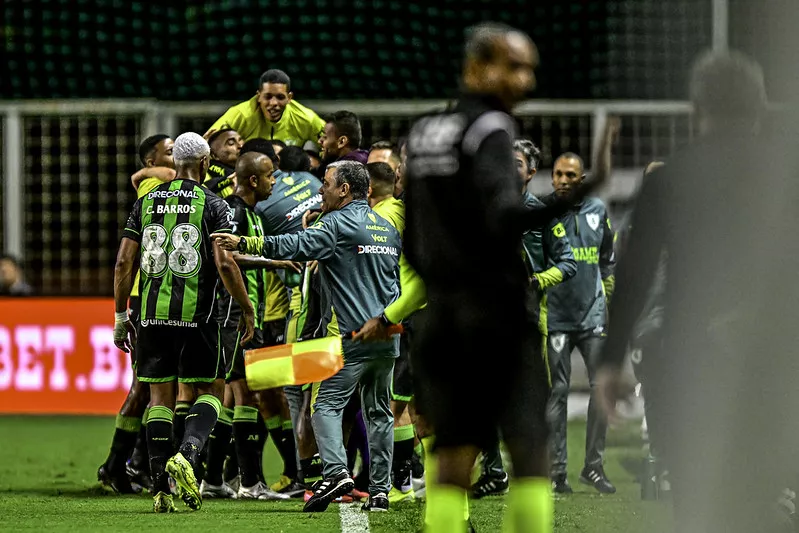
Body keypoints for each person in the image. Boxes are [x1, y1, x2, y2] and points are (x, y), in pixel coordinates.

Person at [403, 22, 607, 533]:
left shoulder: (425, 131)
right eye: (514, 67)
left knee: (451, 454)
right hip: (494, 315)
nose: (526, 81)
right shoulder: (490, 128)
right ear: (477, 68)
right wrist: (574, 196)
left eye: (529, 69)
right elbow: (502, 217)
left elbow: (413, 238)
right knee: (529, 447)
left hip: (442, 314)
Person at [597, 50, 799, 533]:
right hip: (774, 358)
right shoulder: (786, 174)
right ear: (761, 105)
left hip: (693, 361)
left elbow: (635, 274)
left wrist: (609, 362)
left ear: (696, 107)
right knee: (763, 490)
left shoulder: (669, 178)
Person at [212, 160, 402, 513]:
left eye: (326, 184)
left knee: (325, 406)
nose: (320, 189)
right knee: (379, 413)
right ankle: (380, 491)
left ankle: (335, 473)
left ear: (344, 190)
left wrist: (244, 241)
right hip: (388, 339)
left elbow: (292, 245)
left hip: (353, 340)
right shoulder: (386, 228)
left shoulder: (335, 223)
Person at [112, 132, 255, 513]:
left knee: (158, 397)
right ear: (206, 163)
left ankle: (161, 488)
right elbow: (225, 262)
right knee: (210, 390)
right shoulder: (215, 204)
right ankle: (188, 454)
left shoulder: (144, 203)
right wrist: (246, 307)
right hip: (199, 316)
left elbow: (124, 262)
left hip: (152, 315)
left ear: (176, 164)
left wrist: (121, 315)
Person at [473, 139, 577, 499]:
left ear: (531, 172)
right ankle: (493, 470)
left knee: (531, 401)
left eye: (515, 162)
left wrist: (536, 280)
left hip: (530, 318)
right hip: (485, 316)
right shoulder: (484, 210)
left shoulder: (542, 213)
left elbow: (567, 263)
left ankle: (540, 472)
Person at [200, 151, 295, 501]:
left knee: (234, 393)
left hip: (237, 314)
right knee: (244, 394)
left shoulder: (250, 214)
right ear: (253, 180)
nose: (275, 181)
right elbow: (226, 258)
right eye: (270, 175)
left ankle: (213, 479)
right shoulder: (235, 212)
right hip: (231, 314)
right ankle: (249, 481)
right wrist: (274, 261)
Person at [98, 133, 177, 495]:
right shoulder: (151, 185)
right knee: (146, 388)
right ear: (151, 163)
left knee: (153, 389)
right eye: (170, 152)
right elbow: (124, 260)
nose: (176, 157)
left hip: (156, 298)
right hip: (148, 299)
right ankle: (117, 465)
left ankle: (133, 465)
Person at [544, 151, 617, 495]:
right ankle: (558, 473)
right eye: (558, 174)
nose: (562, 180)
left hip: (592, 318)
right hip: (557, 317)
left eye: (570, 175)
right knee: (557, 393)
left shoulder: (598, 211)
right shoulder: (542, 215)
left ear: (581, 180)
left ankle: (594, 467)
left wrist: (607, 299)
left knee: (600, 389)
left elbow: (606, 260)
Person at [362, 162, 428, 504]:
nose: (396, 179)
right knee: (421, 404)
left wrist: (386, 318)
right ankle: (426, 480)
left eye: (401, 175)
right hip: (436, 318)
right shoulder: (432, 215)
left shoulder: (399, 217)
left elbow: (413, 280)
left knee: (396, 401)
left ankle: (401, 483)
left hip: (411, 316)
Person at [207, 69, 325, 146]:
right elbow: (207, 147)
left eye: (280, 97)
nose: (273, 103)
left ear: (289, 98)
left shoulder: (306, 118)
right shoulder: (240, 115)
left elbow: (334, 144)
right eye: (267, 97)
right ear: (258, 96)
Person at [204, 128, 242, 198]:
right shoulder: (205, 176)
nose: (241, 146)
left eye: (240, 140)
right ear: (214, 155)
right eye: (231, 143)